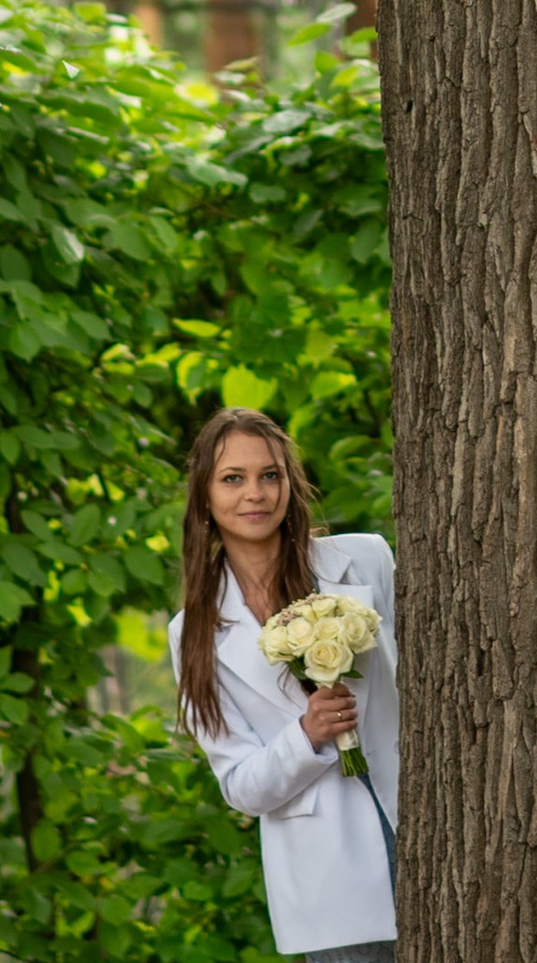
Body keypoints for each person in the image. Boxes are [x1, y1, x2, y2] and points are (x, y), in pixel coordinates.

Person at [167, 407, 400, 963]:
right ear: (203, 497)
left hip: (436, 832)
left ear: (290, 485)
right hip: (331, 881)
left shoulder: (365, 560)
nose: (256, 493)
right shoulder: (193, 634)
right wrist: (308, 734)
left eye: (270, 475)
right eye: (233, 478)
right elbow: (241, 787)